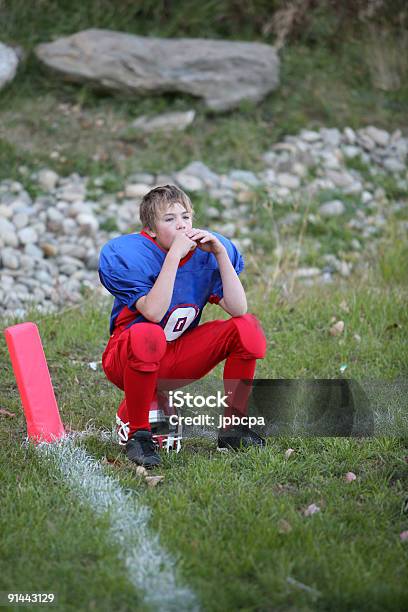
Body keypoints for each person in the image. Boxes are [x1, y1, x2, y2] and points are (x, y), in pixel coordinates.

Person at [98, 184, 267, 467]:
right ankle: (139, 436)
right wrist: (174, 256)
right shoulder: (132, 253)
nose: (181, 225)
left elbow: (238, 309)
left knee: (246, 328)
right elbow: (153, 312)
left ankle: (233, 429)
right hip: (127, 360)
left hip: (176, 356)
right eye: (170, 219)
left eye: (186, 217)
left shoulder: (204, 253)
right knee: (147, 333)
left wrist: (220, 254)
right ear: (150, 230)